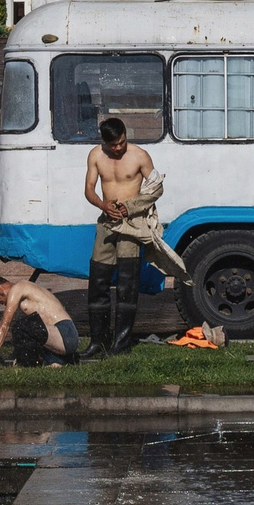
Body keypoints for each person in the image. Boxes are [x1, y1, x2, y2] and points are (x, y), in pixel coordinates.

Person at [82, 116, 188, 357]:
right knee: (98, 278)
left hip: (132, 222)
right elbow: (88, 189)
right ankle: (98, 342)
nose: (118, 148)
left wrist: (131, 206)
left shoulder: (139, 155)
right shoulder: (96, 156)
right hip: (107, 222)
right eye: (114, 145)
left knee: (127, 283)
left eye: (122, 142)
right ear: (104, 142)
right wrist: (103, 204)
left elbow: (156, 187)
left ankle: (122, 342)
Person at [0, 274, 78, 367]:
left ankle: (27, 366)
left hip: (64, 333)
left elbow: (4, 324)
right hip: (59, 335)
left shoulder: (18, 287)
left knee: (22, 326)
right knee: (26, 326)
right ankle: (59, 360)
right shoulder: (24, 292)